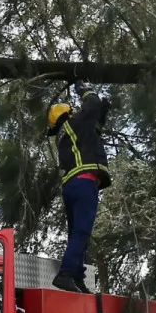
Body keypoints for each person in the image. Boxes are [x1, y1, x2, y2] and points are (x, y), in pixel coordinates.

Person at [47, 85, 112, 293]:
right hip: (85, 183)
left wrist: (101, 115)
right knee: (82, 232)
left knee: (78, 234)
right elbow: (92, 104)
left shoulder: (66, 134)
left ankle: (76, 276)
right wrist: (85, 89)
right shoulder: (75, 122)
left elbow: (91, 137)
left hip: (72, 186)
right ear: (69, 113)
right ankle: (66, 273)